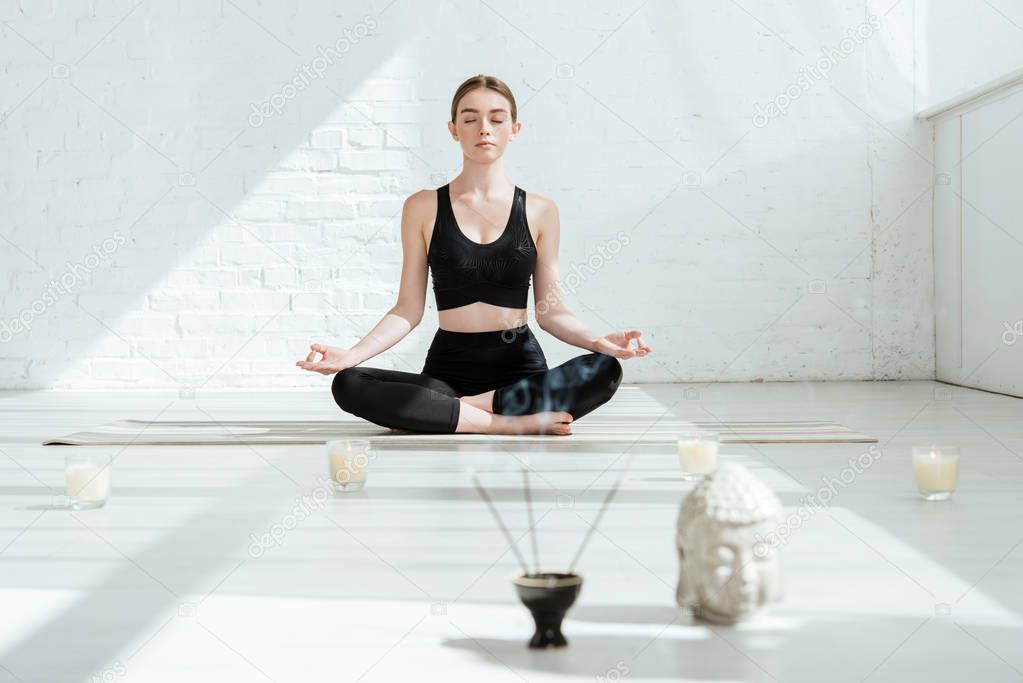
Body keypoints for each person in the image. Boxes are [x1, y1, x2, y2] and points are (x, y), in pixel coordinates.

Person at [296, 74, 652, 435]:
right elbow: (407, 309)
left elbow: (552, 311)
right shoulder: (422, 206)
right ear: (454, 130)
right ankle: (509, 424)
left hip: (521, 372)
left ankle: (453, 414)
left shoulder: (541, 210)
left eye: (497, 119)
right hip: (447, 373)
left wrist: (597, 342)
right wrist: (352, 355)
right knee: (348, 384)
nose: (485, 128)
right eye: (470, 119)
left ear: (514, 128)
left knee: (605, 370)